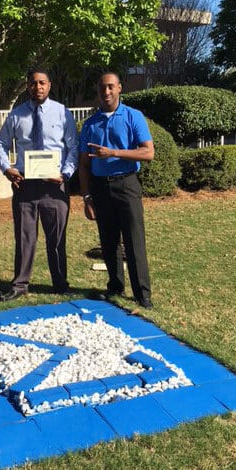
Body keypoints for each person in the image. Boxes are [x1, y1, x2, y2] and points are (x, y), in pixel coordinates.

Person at [0, 68, 78, 301]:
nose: (38, 87)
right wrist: (6, 168)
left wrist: (66, 174)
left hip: (55, 186)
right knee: (24, 237)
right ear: (27, 85)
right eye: (33, 83)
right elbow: (0, 144)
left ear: (49, 85)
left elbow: (73, 147)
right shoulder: (16, 115)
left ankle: (60, 283)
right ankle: (20, 285)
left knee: (57, 238)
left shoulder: (62, 113)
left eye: (42, 83)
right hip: (25, 185)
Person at [78, 72, 154, 309]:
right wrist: (86, 196)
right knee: (109, 241)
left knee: (134, 240)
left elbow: (148, 152)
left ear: (120, 88)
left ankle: (142, 293)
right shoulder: (90, 124)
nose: (106, 92)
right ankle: (115, 286)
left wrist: (114, 153)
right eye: (102, 88)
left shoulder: (133, 116)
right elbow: (83, 164)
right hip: (100, 187)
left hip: (126, 185)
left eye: (111, 87)